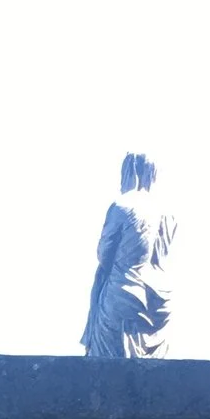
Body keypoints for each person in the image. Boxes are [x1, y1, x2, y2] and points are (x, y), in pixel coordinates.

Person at [80, 152, 176, 359]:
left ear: (128, 171)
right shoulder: (168, 214)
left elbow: (104, 253)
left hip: (123, 291)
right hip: (158, 298)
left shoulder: (122, 205)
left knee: (108, 370)